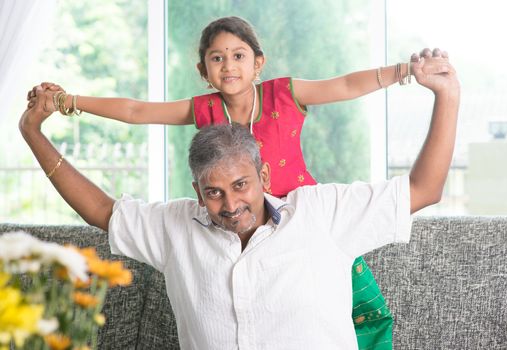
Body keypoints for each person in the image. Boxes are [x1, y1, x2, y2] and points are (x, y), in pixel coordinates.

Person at [27, 16, 433, 348]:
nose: (229, 66)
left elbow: (345, 85)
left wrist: (405, 72)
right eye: (217, 59)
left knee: (360, 315)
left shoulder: (285, 94)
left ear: (259, 63)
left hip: (297, 231)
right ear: (203, 71)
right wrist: (69, 101)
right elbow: (136, 110)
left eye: (239, 56)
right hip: (233, 229)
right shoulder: (202, 109)